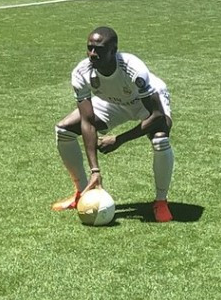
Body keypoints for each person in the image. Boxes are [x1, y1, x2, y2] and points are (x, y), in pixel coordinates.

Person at [51, 26, 175, 222]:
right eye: (89, 48)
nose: (92, 54)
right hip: (112, 102)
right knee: (63, 130)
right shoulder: (82, 72)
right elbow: (87, 120)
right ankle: (83, 193)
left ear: (113, 50)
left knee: (160, 140)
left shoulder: (133, 69)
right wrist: (95, 170)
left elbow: (157, 115)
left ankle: (161, 201)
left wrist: (119, 139)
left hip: (146, 104)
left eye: (98, 49)